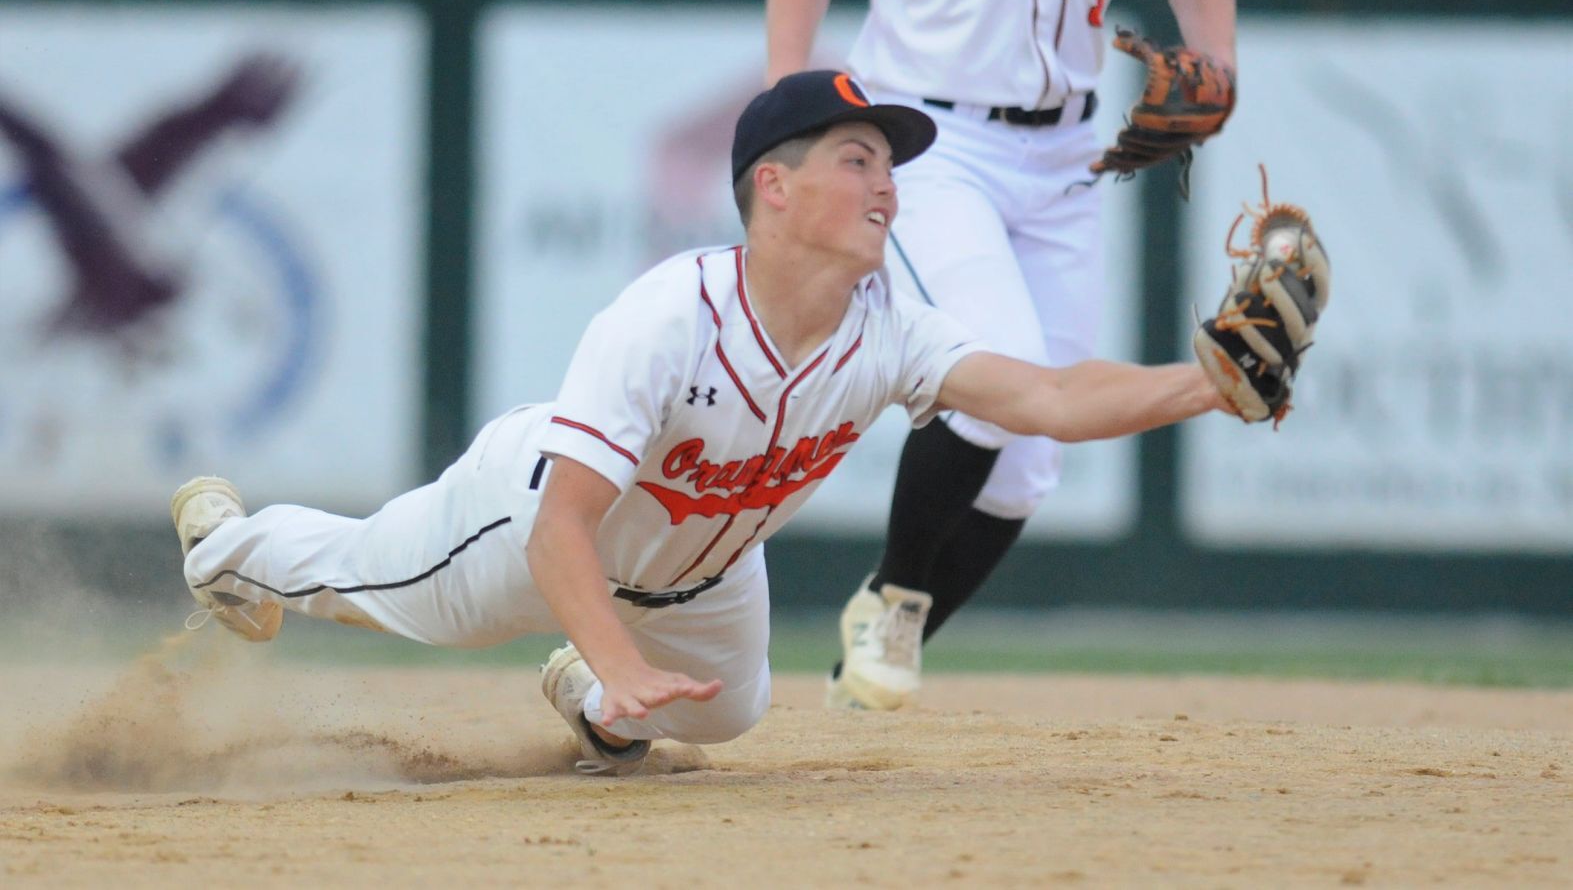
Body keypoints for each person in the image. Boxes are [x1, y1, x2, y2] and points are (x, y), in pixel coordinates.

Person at [173, 70, 1229, 776]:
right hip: (528, 520)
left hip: (698, 573)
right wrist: (619, 655)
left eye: (890, 166)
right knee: (367, 583)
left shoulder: (889, 328)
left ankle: (586, 696)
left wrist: (1205, 383)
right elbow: (560, 529)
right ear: (773, 186)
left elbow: (1044, 398)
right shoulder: (670, 314)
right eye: (857, 158)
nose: (888, 188)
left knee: (729, 712)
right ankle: (230, 544)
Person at [763, 0, 1238, 709]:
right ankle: (894, 612)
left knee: (1028, 467)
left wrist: (1211, 84)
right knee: (997, 380)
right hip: (933, 145)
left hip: (1066, 155)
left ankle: (867, 648)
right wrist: (791, 93)